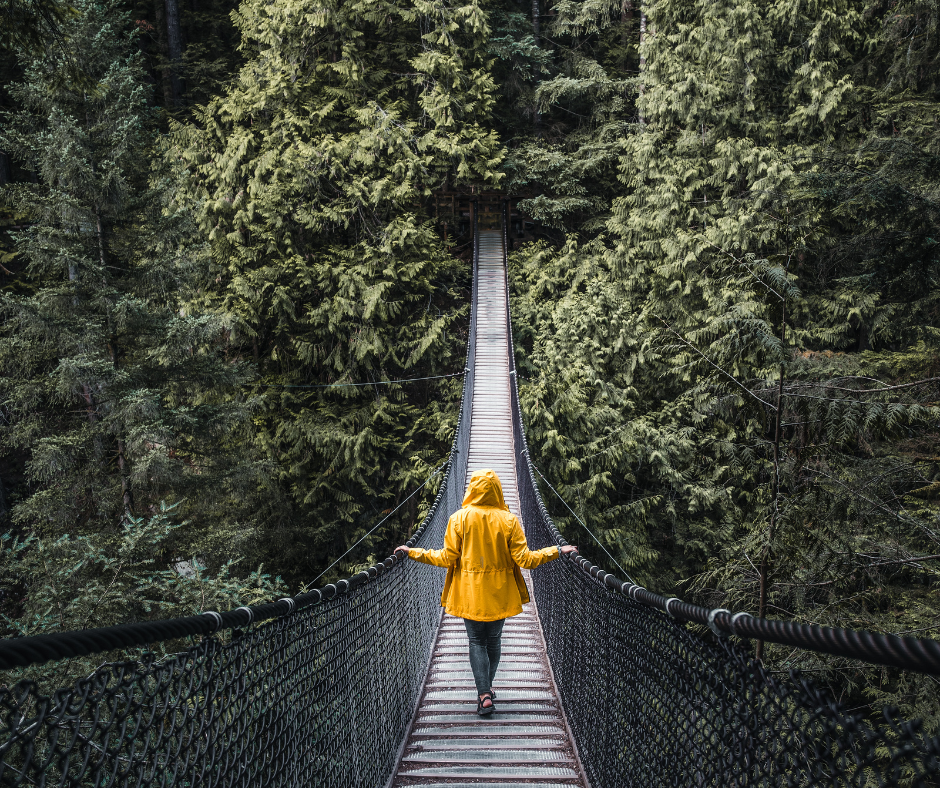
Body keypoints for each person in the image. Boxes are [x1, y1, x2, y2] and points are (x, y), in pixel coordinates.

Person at [396, 468, 577, 716]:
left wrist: (412, 551)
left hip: (469, 593)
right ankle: (487, 689)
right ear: (497, 491)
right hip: (500, 592)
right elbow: (526, 559)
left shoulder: (458, 519)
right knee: (493, 640)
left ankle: (483, 694)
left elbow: (446, 558)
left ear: (472, 488)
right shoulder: (509, 520)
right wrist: (557, 550)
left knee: (475, 641)